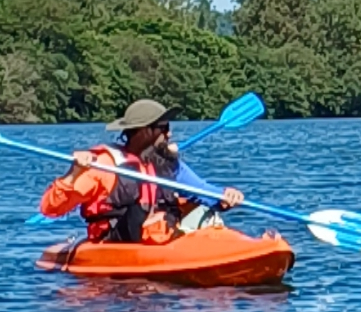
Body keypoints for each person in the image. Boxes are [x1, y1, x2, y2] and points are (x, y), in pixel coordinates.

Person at [40, 99, 244, 243]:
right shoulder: (102, 166)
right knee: (138, 212)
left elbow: (202, 190)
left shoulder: (168, 163)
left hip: (163, 235)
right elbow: (51, 208)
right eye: (164, 128)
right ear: (145, 130)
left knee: (205, 212)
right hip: (118, 243)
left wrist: (224, 196)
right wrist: (73, 174)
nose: (170, 133)